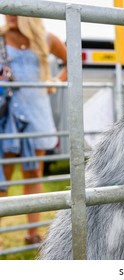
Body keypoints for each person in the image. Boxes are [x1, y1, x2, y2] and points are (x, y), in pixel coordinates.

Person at [0, 15, 67, 245]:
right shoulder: (0, 38)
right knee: (2, 176)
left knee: (34, 173)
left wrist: (56, 81)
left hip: (37, 115)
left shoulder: (46, 39)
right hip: (7, 117)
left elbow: (71, 59)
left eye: (14, 10)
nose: (8, 15)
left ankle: (32, 233)